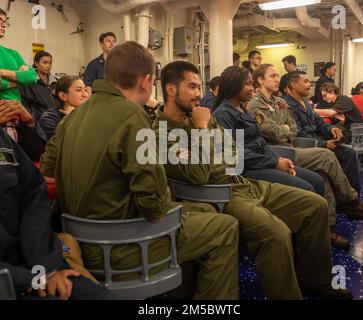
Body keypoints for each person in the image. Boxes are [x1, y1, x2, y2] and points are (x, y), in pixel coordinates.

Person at [40, 41, 240, 300]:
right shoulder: (133, 117)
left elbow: (47, 170)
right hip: (122, 248)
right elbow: (154, 207)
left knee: (201, 211)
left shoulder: (73, 117)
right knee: (224, 227)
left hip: (81, 240)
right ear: (147, 81)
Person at [152, 60, 353, 300]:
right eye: (192, 87)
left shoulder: (199, 116)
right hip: (219, 196)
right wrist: (203, 129)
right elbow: (199, 174)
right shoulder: (161, 132)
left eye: (199, 87)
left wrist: (208, 148)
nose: (198, 94)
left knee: (315, 205)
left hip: (242, 183)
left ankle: (315, 280)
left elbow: (233, 153)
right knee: (276, 233)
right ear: (171, 90)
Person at [247, 66, 363, 242]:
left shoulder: (278, 102)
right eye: (272, 76)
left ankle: (327, 226)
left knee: (324, 173)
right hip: (277, 152)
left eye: (278, 75)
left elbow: (292, 129)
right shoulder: (254, 105)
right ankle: (352, 202)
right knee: (326, 156)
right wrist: (285, 130)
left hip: (288, 146)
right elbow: (268, 132)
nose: (277, 79)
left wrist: (287, 129)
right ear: (260, 80)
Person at [0, 128, 114, 300]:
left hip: (33, 262)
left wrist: (47, 268)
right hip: (12, 281)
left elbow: (33, 194)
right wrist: (31, 280)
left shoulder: (3, 141)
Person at [213, 66, 325, 196]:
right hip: (247, 169)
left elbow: (259, 141)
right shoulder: (223, 115)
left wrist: (277, 158)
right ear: (234, 85)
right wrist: (274, 163)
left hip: (261, 161)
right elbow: (235, 154)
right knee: (307, 189)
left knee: (317, 181)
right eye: (248, 84)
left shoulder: (242, 110)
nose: (252, 89)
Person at [0, 8, 44, 162]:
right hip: (2, 114)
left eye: (4, 22)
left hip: (16, 117)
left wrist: (2, 73)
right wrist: (18, 79)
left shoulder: (12, 53)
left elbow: (32, 77)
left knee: (17, 165)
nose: (3, 24)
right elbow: (24, 78)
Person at [40, 76, 89, 141]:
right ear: (63, 96)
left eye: (85, 90)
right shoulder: (50, 118)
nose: (85, 94)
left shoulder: (90, 113)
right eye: (79, 90)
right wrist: (71, 118)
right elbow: (57, 145)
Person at [19, 51, 59, 121]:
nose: (48, 65)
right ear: (36, 63)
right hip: (38, 122)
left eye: (50, 63)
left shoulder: (55, 82)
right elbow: (23, 104)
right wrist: (34, 117)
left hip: (56, 120)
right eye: (45, 62)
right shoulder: (29, 81)